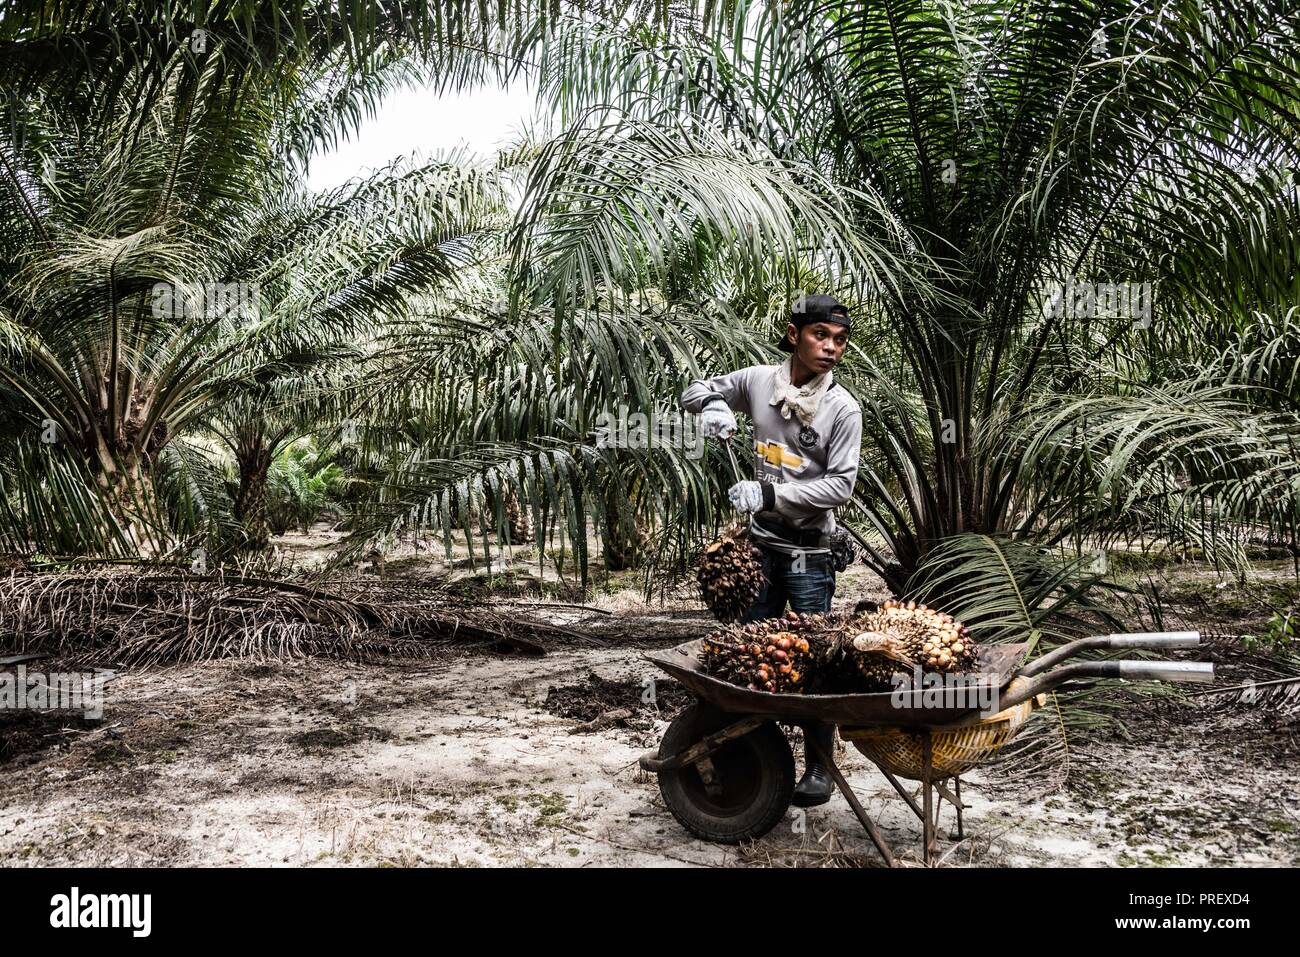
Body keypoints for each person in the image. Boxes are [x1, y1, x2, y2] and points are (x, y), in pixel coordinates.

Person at [680, 293, 863, 807]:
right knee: (747, 656)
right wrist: (714, 403)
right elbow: (693, 389)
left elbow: (840, 487)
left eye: (839, 340)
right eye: (820, 336)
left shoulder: (841, 409)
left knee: (815, 661)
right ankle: (746, 756)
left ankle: (818, 770)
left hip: (810, 552)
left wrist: (770, 493)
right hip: (762, 548)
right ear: (793, 335)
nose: (830, 348)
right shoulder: (759, 381)